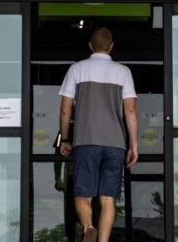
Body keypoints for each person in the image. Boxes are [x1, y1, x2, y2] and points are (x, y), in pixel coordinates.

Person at [59, 27, 138, 242]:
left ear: (90, 46)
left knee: (83, 194)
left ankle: (88, 227)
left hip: (86, 141)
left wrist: (64, 139)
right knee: (108, 199)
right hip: (115, 144)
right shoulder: (123, 72)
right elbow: (130, 110)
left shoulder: (77, 69)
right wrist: (133, 145)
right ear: (111, 47)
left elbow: (65, 109)